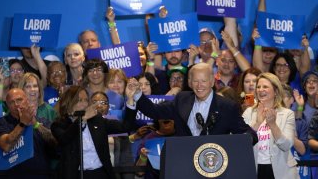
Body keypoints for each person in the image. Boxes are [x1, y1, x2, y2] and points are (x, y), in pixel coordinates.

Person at [126, 63, 257, 143]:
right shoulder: (181, 99)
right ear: (189, 82)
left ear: (212, 82)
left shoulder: (227, 106)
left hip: (214, 164)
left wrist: (242, 141)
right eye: (195, 81)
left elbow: (247, 134)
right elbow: (154, 111)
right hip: (185, 161)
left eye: (204, 81)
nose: (199, 86)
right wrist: (138, 94)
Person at [50, 85, 137, 179]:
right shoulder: (59, 125)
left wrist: (131, 99)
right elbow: (65, 139)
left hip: (101, 174)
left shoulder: (97, 120)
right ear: (69, 103)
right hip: (77, 175)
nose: (84, 104)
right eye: (80, 100)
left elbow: (125, 127)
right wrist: (82, 120)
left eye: (86, 100)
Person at [242, 73, 299, 179]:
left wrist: (273, 125)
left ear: (276, 91)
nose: (260, 90)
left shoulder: (287, 114)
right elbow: (242, 143)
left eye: (265, 87)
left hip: (281, 171)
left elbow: (286, 145)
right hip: (254, 169)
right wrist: (257, 123)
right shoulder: (248, 113)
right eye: (258, 87)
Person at [0, 88, 56, 178]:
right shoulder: (2, 122)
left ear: (27, 100)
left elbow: (55, 143)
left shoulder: (41, 120)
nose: (16, 104)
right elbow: (6, 145)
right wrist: (22, 124)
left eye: (19, 100)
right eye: (11, 102)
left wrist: (36, 124)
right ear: (7, 106)